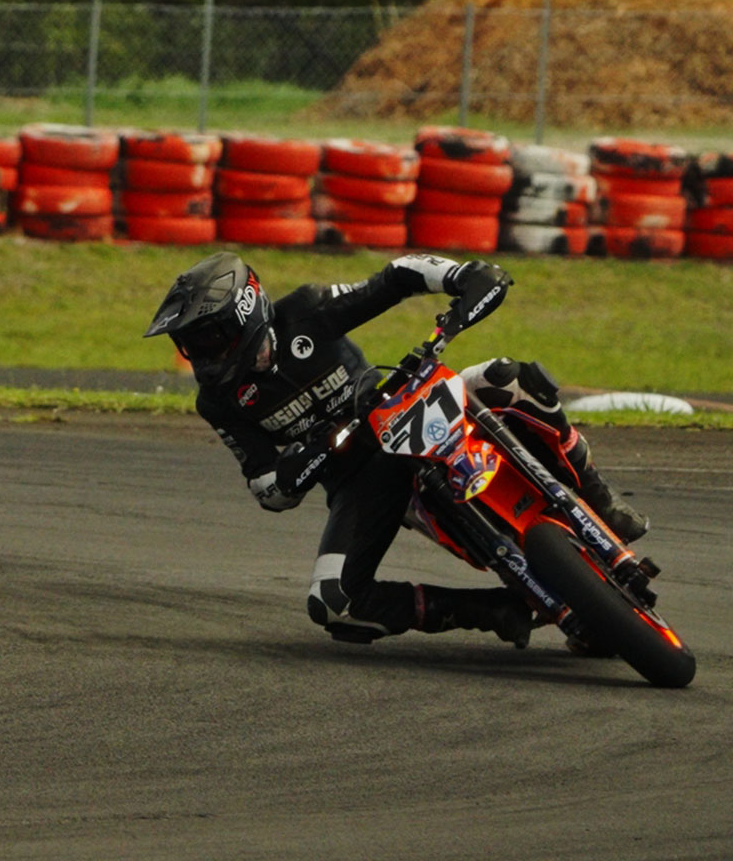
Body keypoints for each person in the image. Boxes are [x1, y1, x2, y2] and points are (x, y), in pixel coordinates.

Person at [144, 251, 649, 648]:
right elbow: (266, 487)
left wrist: (460, 276)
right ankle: (489, 610)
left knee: (507, 378)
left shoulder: (306, 311)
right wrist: (307, 460)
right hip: (360, 478)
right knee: (332, 602)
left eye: (206, 338)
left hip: (408, 404)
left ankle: (600, 499)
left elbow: (394, 278)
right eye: (191, 344)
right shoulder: (217, 401)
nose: (200, 354)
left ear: (244, 313)